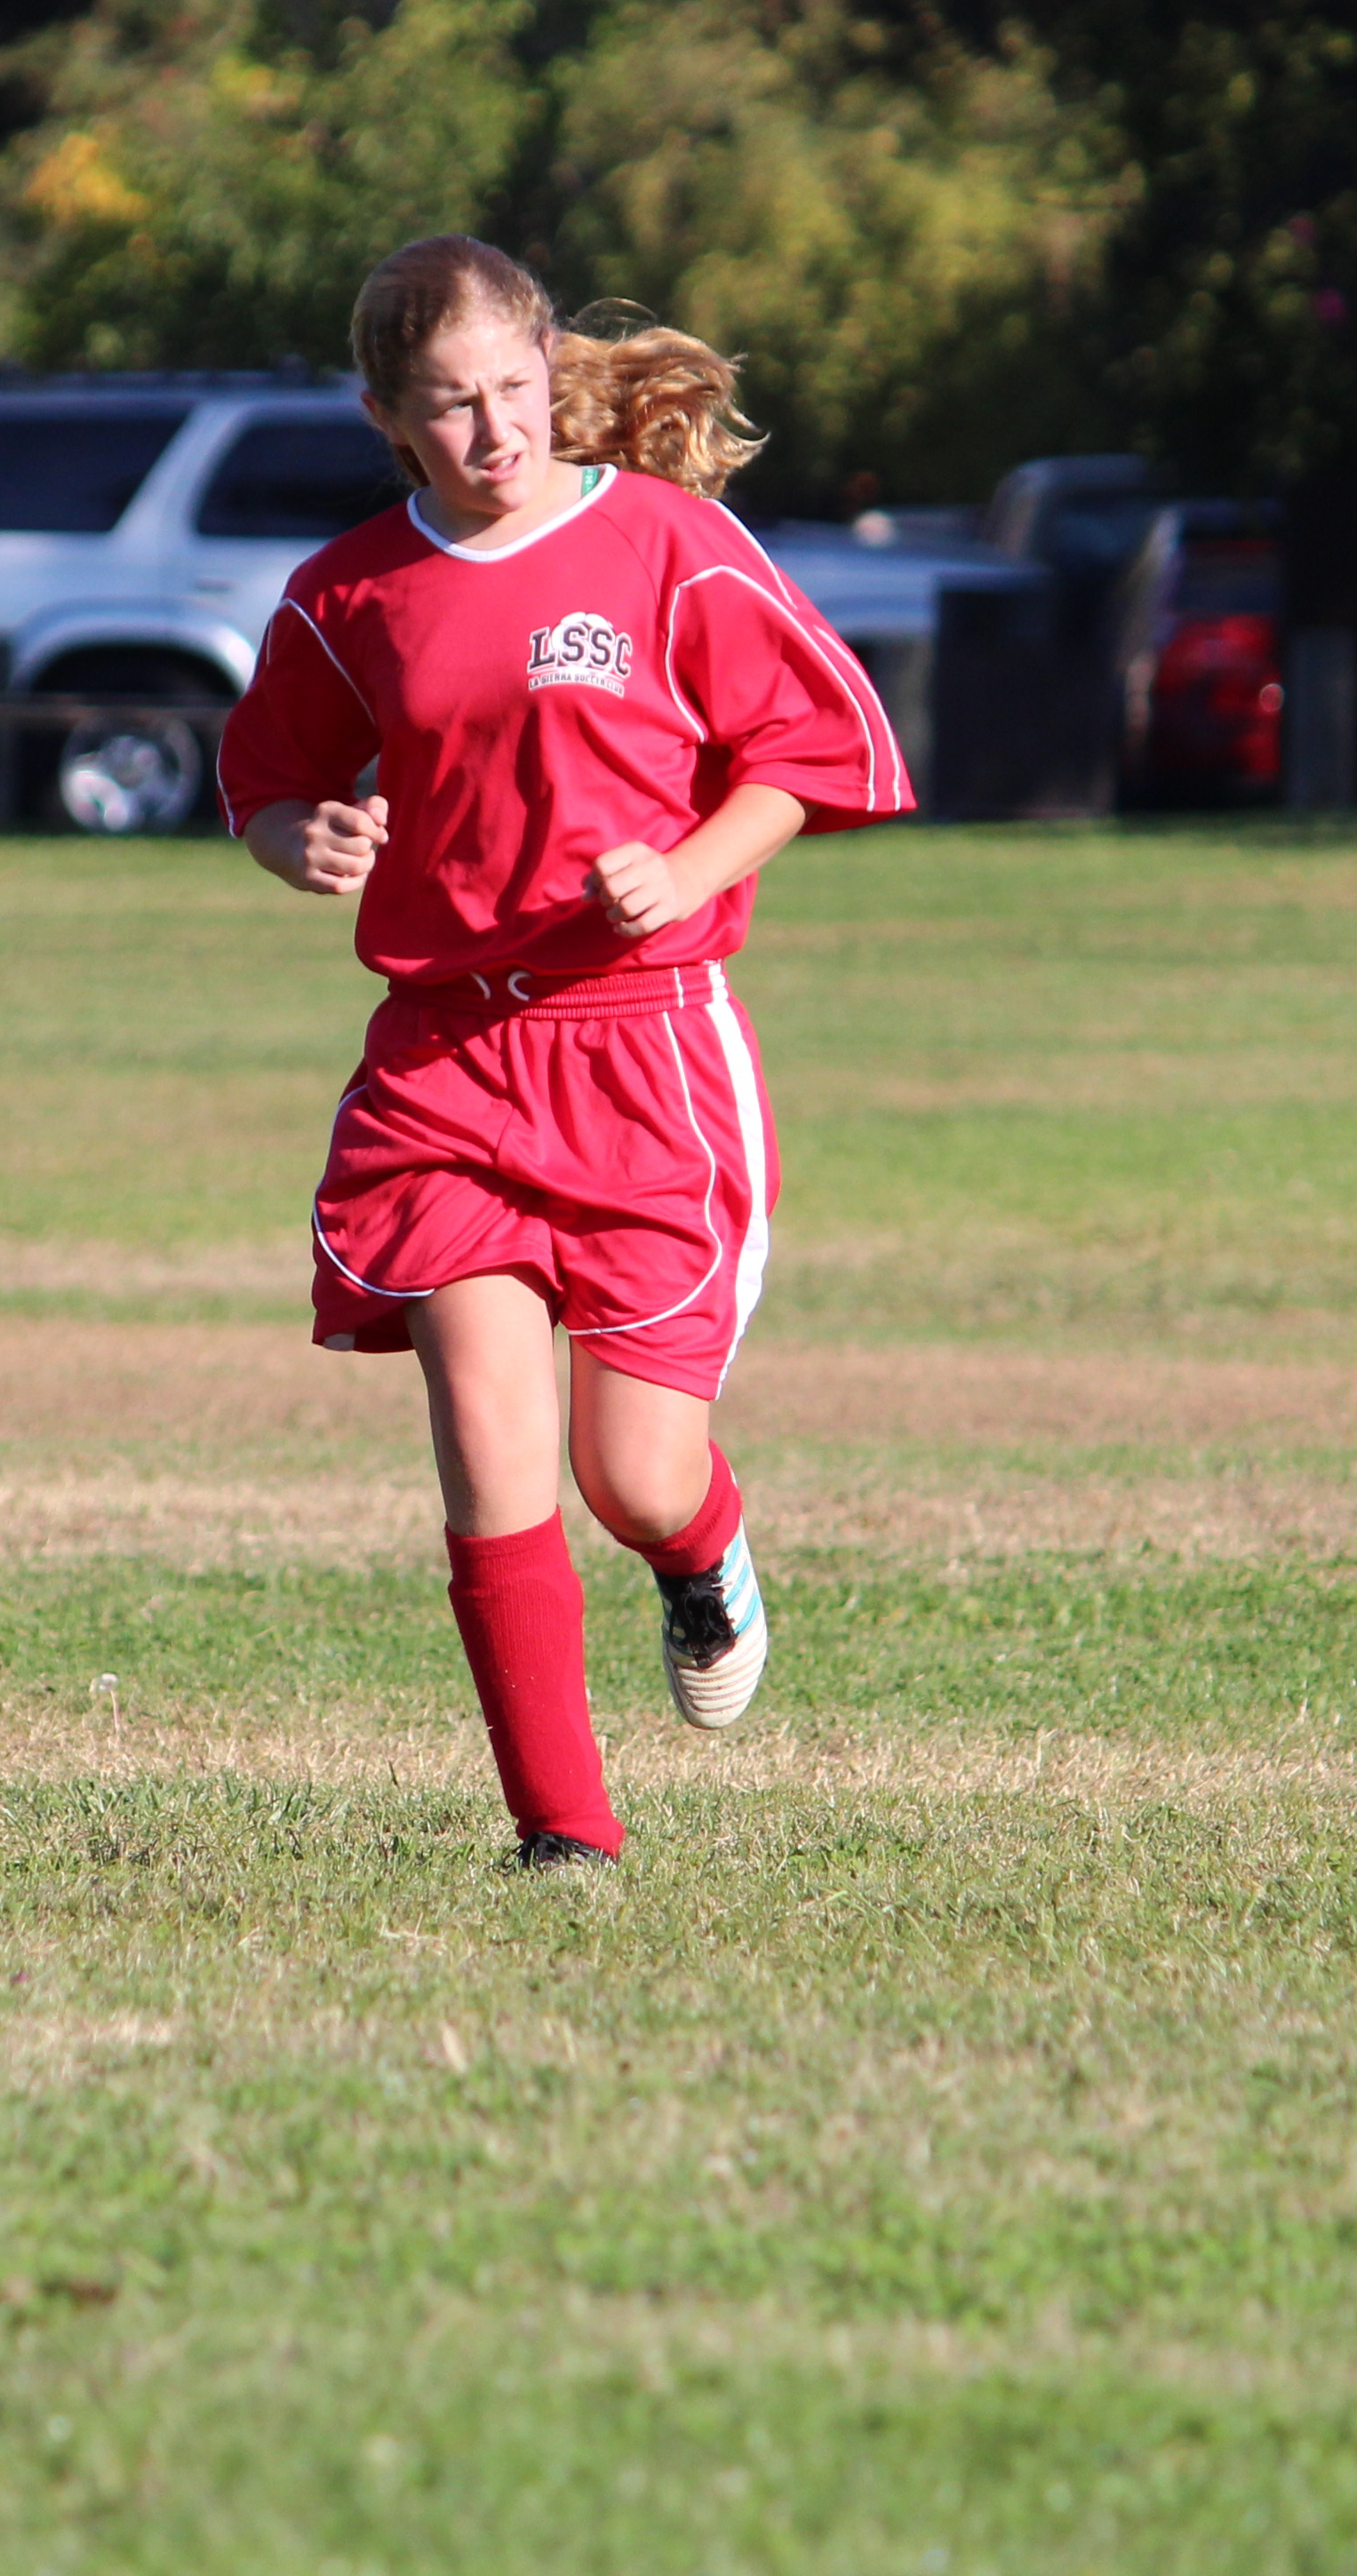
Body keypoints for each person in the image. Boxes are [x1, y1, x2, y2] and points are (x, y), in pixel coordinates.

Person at [218, 237, 912, 1869]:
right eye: (450, 405)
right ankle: (562, 1838)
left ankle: (702, 1554)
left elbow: (807, 750)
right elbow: (266, 779)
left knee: (633, 1476)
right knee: (484, 1438)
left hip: (643, 1054)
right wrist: (298, 838)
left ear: (550, 372)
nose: (494, 431)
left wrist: (690, 866)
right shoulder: (345, 593)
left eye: (514, 390)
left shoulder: (669, 545)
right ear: (388, 417)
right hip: (446, 1063)